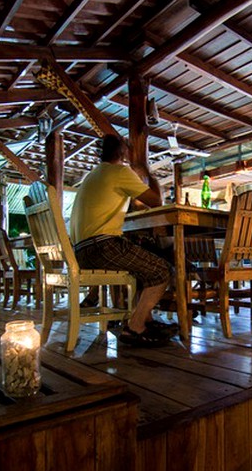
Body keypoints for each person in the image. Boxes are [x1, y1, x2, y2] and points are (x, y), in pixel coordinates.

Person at [70, 134, 175, 346]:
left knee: (141, 265)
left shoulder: (91, 176)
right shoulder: (120, 171)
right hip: (103, 246)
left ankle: (146, 320)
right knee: (162, 270)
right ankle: (134, 328)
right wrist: (147, 172)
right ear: (123, 153)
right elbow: (156, 201)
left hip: (82, 252)